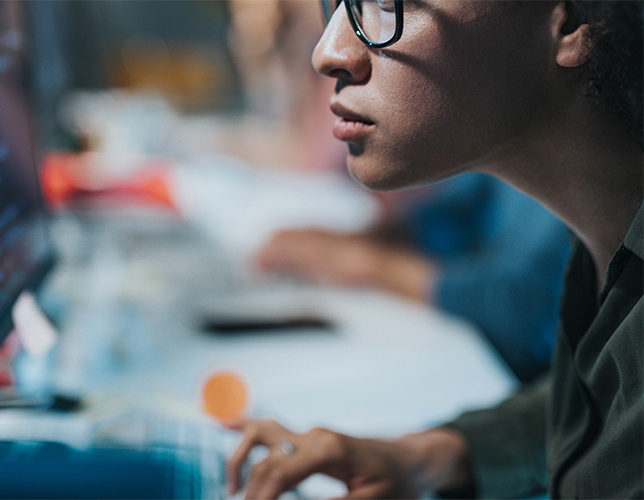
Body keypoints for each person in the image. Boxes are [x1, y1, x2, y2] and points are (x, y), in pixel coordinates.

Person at [227, 1, 643, 498]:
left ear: (576, 21)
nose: (328, 52)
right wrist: (425, 459)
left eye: (387, 3)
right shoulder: (601, 241)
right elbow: (598, 399)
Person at [256, 172, 572, 383]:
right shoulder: (513, 133)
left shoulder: (572, 164)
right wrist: (361, 240)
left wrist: (375, 264)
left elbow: (524, 307)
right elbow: (451, 214)